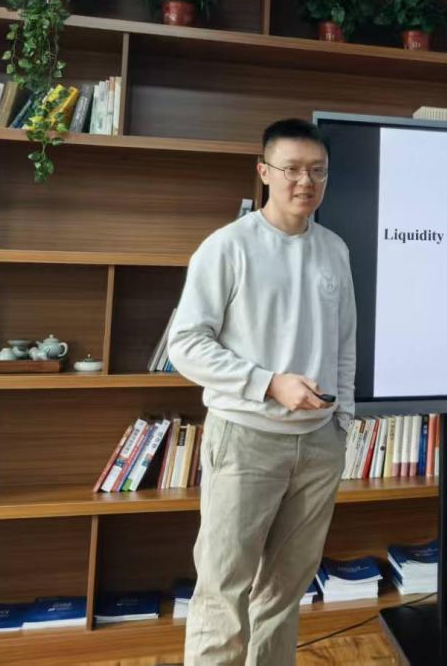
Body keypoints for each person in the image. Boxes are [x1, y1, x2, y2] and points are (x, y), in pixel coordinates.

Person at [168, 117, 355, 665]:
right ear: (264, 172)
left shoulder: (334, 249)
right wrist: (269, 383)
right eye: (292, 168)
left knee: (285, 591)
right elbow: (185, 345)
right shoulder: (227, 247)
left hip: (319, 444)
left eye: (317, 171)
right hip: (244, 440)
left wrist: (341, 422)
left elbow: (345, 342)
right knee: (224, 589)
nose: (305, 181)